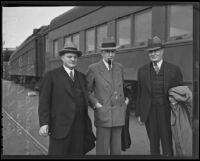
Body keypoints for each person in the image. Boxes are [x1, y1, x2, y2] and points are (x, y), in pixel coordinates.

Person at [38, 42, 95, 155]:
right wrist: (44, 123)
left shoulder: (81, 77)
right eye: (69, 56)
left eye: (75, 57)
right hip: (60, 127)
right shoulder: (51, 76)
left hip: (80, 127)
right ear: (62, 58)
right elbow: (44, 101)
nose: (73, 59)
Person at [135, 36, 183, 156]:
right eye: (150, 51)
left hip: (167, 112)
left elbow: (180, 94)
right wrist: (139, 113)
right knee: (153, 144)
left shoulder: (174, 70)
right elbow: (139, 93)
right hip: (149, 112)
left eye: (156, 50)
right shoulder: (142, 70)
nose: (153, 54)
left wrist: (179, 115)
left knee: (167, 144)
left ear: (162, 51)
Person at [86, 37, 129, 155]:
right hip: (103, 113)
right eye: (108, 51)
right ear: (102, 52)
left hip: (118, 113)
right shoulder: (93, 68)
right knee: (102, 149)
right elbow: (87, 91)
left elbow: (123, 86)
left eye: (113, 51)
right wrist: (96, 104)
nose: (111, 54)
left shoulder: (119, 67)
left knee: (116, 150)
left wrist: (125, 101)